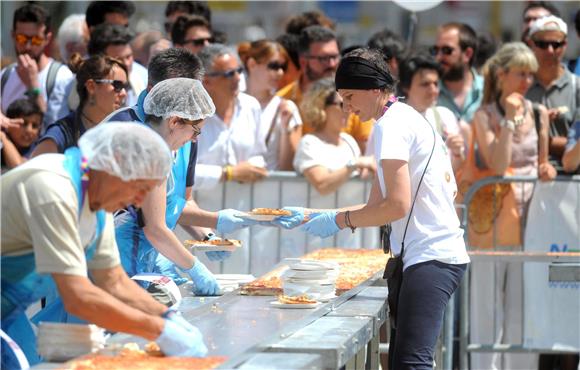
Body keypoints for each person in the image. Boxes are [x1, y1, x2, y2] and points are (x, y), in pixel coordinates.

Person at [278, 48, 470, 369]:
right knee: (401, 362)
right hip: (426, 255)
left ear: (376, 89)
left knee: (412, 363)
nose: (347, 107)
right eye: (341, 98)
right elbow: (376, 206)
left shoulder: (391, 125)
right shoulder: (396, 119)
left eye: (350, 96)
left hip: (432, 256)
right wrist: (322, 216)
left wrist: (339, 220)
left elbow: (396, 205)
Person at [1, 122, 206, 368]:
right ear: (114, 165)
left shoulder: (96, 202)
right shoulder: (53, 189)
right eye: (139, 187)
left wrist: (166, 316)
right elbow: (77, 297)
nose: (140, 200)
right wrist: (159, 330)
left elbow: (114, 281)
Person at [469, 42, 556, 370]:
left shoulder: (538, 112)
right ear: (502, 74)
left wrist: (546, 170)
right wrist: (507, 119)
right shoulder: (483, 115)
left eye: (531, 74)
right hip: (491, 221)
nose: (527, 81)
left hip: (532, 220)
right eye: (521, 73)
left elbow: (542, 163)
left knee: (524, 307)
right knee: (486, 310)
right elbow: (497, 163)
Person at [114, 78, 225, 296]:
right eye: (196, 130)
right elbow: (154, 228)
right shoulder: (152, 151)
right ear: (174, 121)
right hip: (109, 261)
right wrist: (194, 267)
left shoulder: (143, 140)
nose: (194, 139)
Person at [196, 44, 268, 189]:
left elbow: (258, 155)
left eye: (239, 71)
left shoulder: (251, 106)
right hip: (201, 208)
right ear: (206, 81)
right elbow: (181, 170)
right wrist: (228, 173)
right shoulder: (189, 114)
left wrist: (253, 166)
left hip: (243, 207)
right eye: (229, 74)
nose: (238, 78)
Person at [31, 54, 128, 156]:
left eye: (126, 86)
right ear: (91, 87)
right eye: (117, 85)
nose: (124, 93)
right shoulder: (62, 133)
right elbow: (35, 167)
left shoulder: (126, 130)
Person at [294, 78, 375, 194]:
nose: (348, 109)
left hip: (345, 211)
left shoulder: (349, 141)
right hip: (317, 212)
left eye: (350, 103)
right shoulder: (309, 143)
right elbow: (322, 185)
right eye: (342, 104)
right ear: (321, 106)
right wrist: (355, 164)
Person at [1, 3, 74, 128]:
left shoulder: (62, 76)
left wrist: (33, 86)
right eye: (22, 38)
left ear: (47, 39)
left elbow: (55, 129)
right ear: (13, 36)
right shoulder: (5, 75)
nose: (28, 46)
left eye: (36, 40)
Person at [398, 52, 468, 172]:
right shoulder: (394, 121)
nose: (433, 90)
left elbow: (452, 172)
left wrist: (456, 153)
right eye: (425, 84)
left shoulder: (445, 116)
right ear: (406, 86)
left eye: (436, 83)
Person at [239, 39, 302, 170]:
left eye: (283, 67)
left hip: (270, 187)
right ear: (252, 64)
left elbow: (288, 168)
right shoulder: (233, 103)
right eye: (274, 66)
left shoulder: (286, 108)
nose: (280, 73)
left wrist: (286, 130)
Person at [525, 15, 579, 166]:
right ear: (531, 44)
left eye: (556, 44)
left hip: (570, 181)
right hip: (526, 179)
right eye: (542, 44)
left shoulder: (577, 87)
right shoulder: (520, 85)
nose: (550, 51)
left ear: (565, 45)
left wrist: (539, 139)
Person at [432, 22, 483, 124]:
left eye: (447, 50)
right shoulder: (428, 91)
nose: (438, 57)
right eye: (435, 50)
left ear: (467, 54)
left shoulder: (489, 91)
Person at [87, 23, 148, 107]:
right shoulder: (81, 91)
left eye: (128, 56)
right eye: (118, 59)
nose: (127, 63)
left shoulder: (144, 78)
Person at [1, 99, 42, 171]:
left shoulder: (38, 150)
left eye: (34, 126)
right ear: (9, 122)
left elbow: (18, 167)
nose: (29, 130)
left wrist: (2, 135)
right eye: (23, 124)